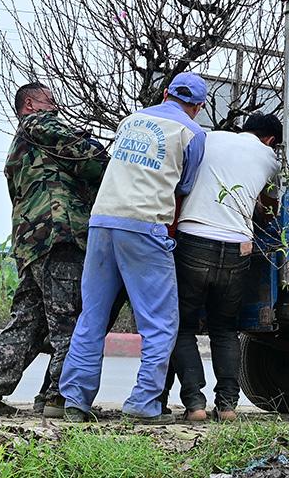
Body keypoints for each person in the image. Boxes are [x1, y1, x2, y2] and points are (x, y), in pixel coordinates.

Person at [58, 73, 209, 424]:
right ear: (199, 107)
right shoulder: (192, 133)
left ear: (166, 93)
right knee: (160, 322)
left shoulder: (131, 120)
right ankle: (143, 402)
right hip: (144, 224)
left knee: (92, 316)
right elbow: (183, 186)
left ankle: (75, 400)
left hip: (102, 221)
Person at [0, 82, 109, 417]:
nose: (56, 106)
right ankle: (59, 398)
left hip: (33, 242)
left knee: (27, 323)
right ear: (30, 105)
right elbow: (90, 160)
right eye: (50, 100)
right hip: (59, 235)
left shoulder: (23, 145)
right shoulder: (38, 124)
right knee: (69, 323)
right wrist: (107, 156)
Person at [165, 113, 284, 421]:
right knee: (225, 328)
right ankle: (228, 404)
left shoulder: (209, 138)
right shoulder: (270, 160)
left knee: (183, 327)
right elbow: (268, 210)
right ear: (271, 140)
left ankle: (195, 404)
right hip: (237, 247)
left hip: (193, 240)